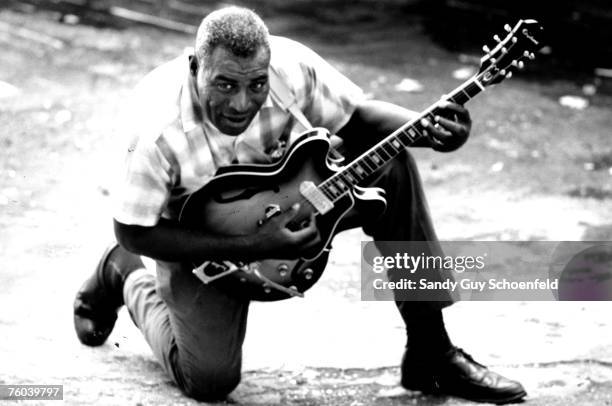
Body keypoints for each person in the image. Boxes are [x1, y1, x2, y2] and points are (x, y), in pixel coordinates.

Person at [73, 6, 527, 404]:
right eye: (225, 84)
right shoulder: (153, 131)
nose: (242, 103)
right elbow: (134, 231)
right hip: (198, 244)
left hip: (291, 201)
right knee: (209, 381)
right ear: (195, 67)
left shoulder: (291, 67)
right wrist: (254, 244)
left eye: (255, 85)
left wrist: (427, 127)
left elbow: (358, 117)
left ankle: (431, 352)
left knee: (392, 167)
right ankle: (126, 275)